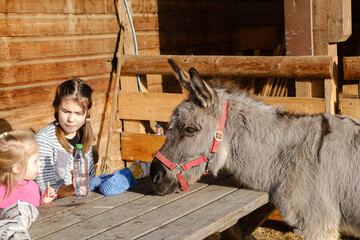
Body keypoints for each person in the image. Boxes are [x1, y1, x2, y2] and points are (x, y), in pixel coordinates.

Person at [35, 78, 96, 199]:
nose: (71, 119)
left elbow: (91, 180)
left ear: (86, 113)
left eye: (79, 113)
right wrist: (72, 188)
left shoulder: (84, 136)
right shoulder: (45, 140)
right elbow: (45, 190)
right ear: (57, 108)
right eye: (66, 111)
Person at [0, 130, 56, 208]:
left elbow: (34, 209)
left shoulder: (33, 186)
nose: (40, 164)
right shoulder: (2, 193)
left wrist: (42, 201)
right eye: (35, 161)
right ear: (17, 168)